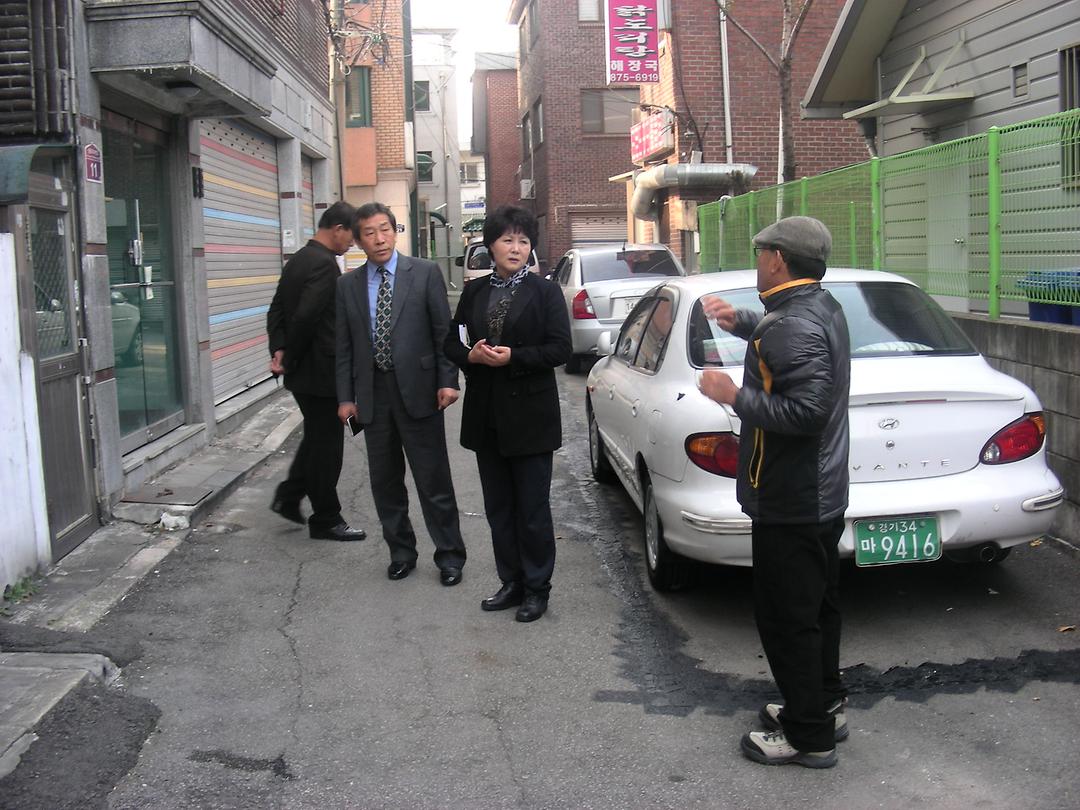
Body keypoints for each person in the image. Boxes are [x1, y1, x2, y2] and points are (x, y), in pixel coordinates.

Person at [697, 216, 851, 768]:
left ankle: (808, 734)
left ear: (779, 259)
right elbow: (780, 342)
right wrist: (739, 320)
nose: (756, 260)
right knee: (817, 605)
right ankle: (823, 702)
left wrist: (732, 394)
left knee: (788, 616)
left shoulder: (793, 323)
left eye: (760, 252)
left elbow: (805, 412)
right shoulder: (817, 306)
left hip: (793, 495)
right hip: (819, 492)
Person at [444, 206, 571, 623]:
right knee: (498, 507)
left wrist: (513, 357)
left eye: (523, 241)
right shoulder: (475, 293)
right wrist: (473, 357)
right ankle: (511, 581)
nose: (515, 248)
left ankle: (538, 588)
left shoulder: (545, 292)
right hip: (487, 416)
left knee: (532, 508)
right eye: (507, 240)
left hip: (531, 417)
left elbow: (559, 349)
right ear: (491, 245)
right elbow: (452, 342)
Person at [335, 202, 467, 586]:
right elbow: (343, 348)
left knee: (433, 479)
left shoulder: (424, 273)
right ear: (358, 240)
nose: (379, 238)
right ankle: (401, 552)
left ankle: (450, 556)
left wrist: (449, 380)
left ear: (395, 231)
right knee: (385, 481)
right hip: (373, 393)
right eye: (370, 233)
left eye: (385, 229)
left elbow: (445, 333)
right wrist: (346, 397)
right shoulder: (347, 286)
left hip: (420, 390)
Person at [266, 201, 366, 541]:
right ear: (337, 229)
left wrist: (278, 349)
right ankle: (326, 518)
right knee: (327, 448)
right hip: (321, 374)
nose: (352, 244)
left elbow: (277, 308)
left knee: (316, 439)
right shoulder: (324, 265)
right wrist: (289, 355)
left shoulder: (298, 259)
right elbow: (306, 317)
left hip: (304, 375)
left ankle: (290, 495)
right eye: (351, 236)